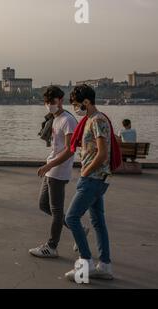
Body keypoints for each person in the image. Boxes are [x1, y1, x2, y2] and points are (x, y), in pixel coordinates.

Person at [65, 84, 119, 282]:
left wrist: (86, 171)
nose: (75, 108)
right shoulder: (91, 120)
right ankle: (104, 266)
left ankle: (84, 264)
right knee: (98, 222)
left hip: (93, 179)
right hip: (96, 178)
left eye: (77, 105)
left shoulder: (98, 120)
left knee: (71, 218)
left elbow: (103, 152)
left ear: (86, 102)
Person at [29, 86, 77, 258]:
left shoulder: (68, 120)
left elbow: (71, 150)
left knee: (56, 210)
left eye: (53, 102)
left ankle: (52, 246)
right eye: (47, 102)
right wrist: (48, 165)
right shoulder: (55, 119)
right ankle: (77, 228)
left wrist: (49, 166)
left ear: (60, 101)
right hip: (51, 167)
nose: (49, 105)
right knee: (44, 205)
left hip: (59, 169)